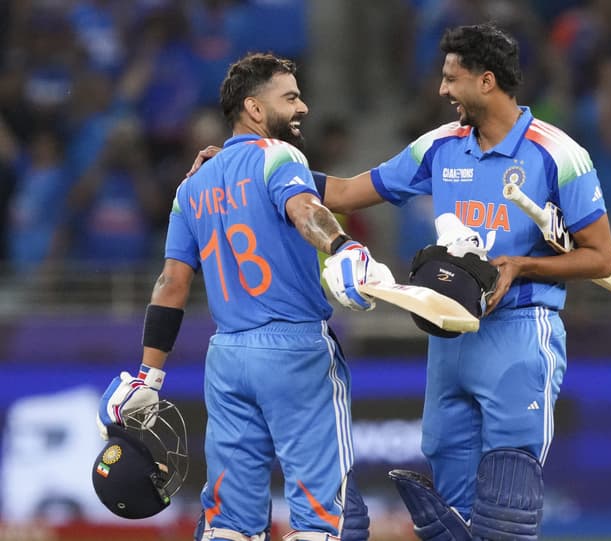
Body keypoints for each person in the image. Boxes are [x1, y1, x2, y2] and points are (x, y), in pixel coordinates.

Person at [189, 23, 611, 540]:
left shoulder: (558, 153)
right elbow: (345, 192)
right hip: (449, 334)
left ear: (486, 81)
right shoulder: (440, 145)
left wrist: (522, 266)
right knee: (453, 514)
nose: (441, 89)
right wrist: (246, 163)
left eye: (451, 78)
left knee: (507, 504)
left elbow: (601, 258)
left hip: (520, 329)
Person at [96, 52, 394, 541]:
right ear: (254, 108)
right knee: (325, 520)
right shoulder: (279, 156)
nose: (303, 108)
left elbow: (171, 283)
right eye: (291, 97)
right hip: (296, 351)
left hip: (228, 357)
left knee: (229, 524)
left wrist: (149, 375)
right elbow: (306, 209)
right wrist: (343, 247)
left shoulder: (192, 186)